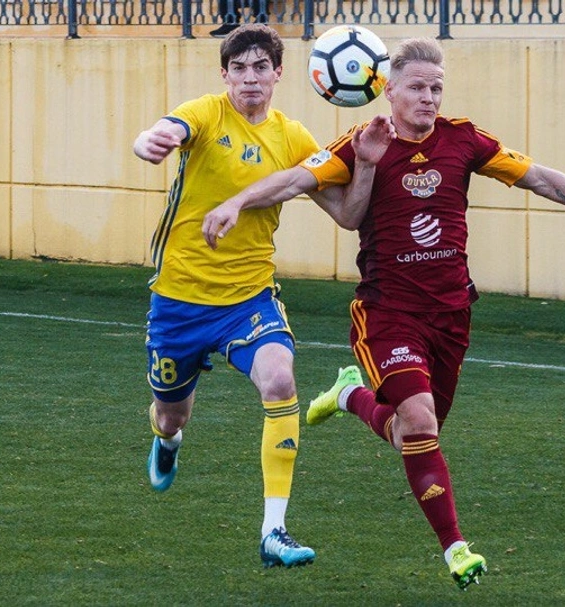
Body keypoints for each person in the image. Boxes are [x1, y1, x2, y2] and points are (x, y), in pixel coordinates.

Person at [201, 37, 565, 588]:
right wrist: (236, 201)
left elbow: (539, 176)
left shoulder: (463, 139)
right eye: (417, 88)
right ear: (388, 90)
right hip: (387, 313)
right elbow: (293, 180)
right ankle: (455, 548)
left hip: (451, 314)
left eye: (436, 88)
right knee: (422, 422)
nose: (429, 98)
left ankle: (350, 396)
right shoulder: (361, 144)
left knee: (410, 435)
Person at [131, 24, 385, 569]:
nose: (250, 78)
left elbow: (348, 214)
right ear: (225, 75)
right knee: (172, 415)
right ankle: (168, 441)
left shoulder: (293, 138)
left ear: (279, 74)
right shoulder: (205, 113)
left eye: (261, 67)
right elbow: (169, 128)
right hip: (179, 301)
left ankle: (274, 531)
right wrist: (149, 140)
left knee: (279, 380)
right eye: (240, 68)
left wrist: (364, 164)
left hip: (250, 297)